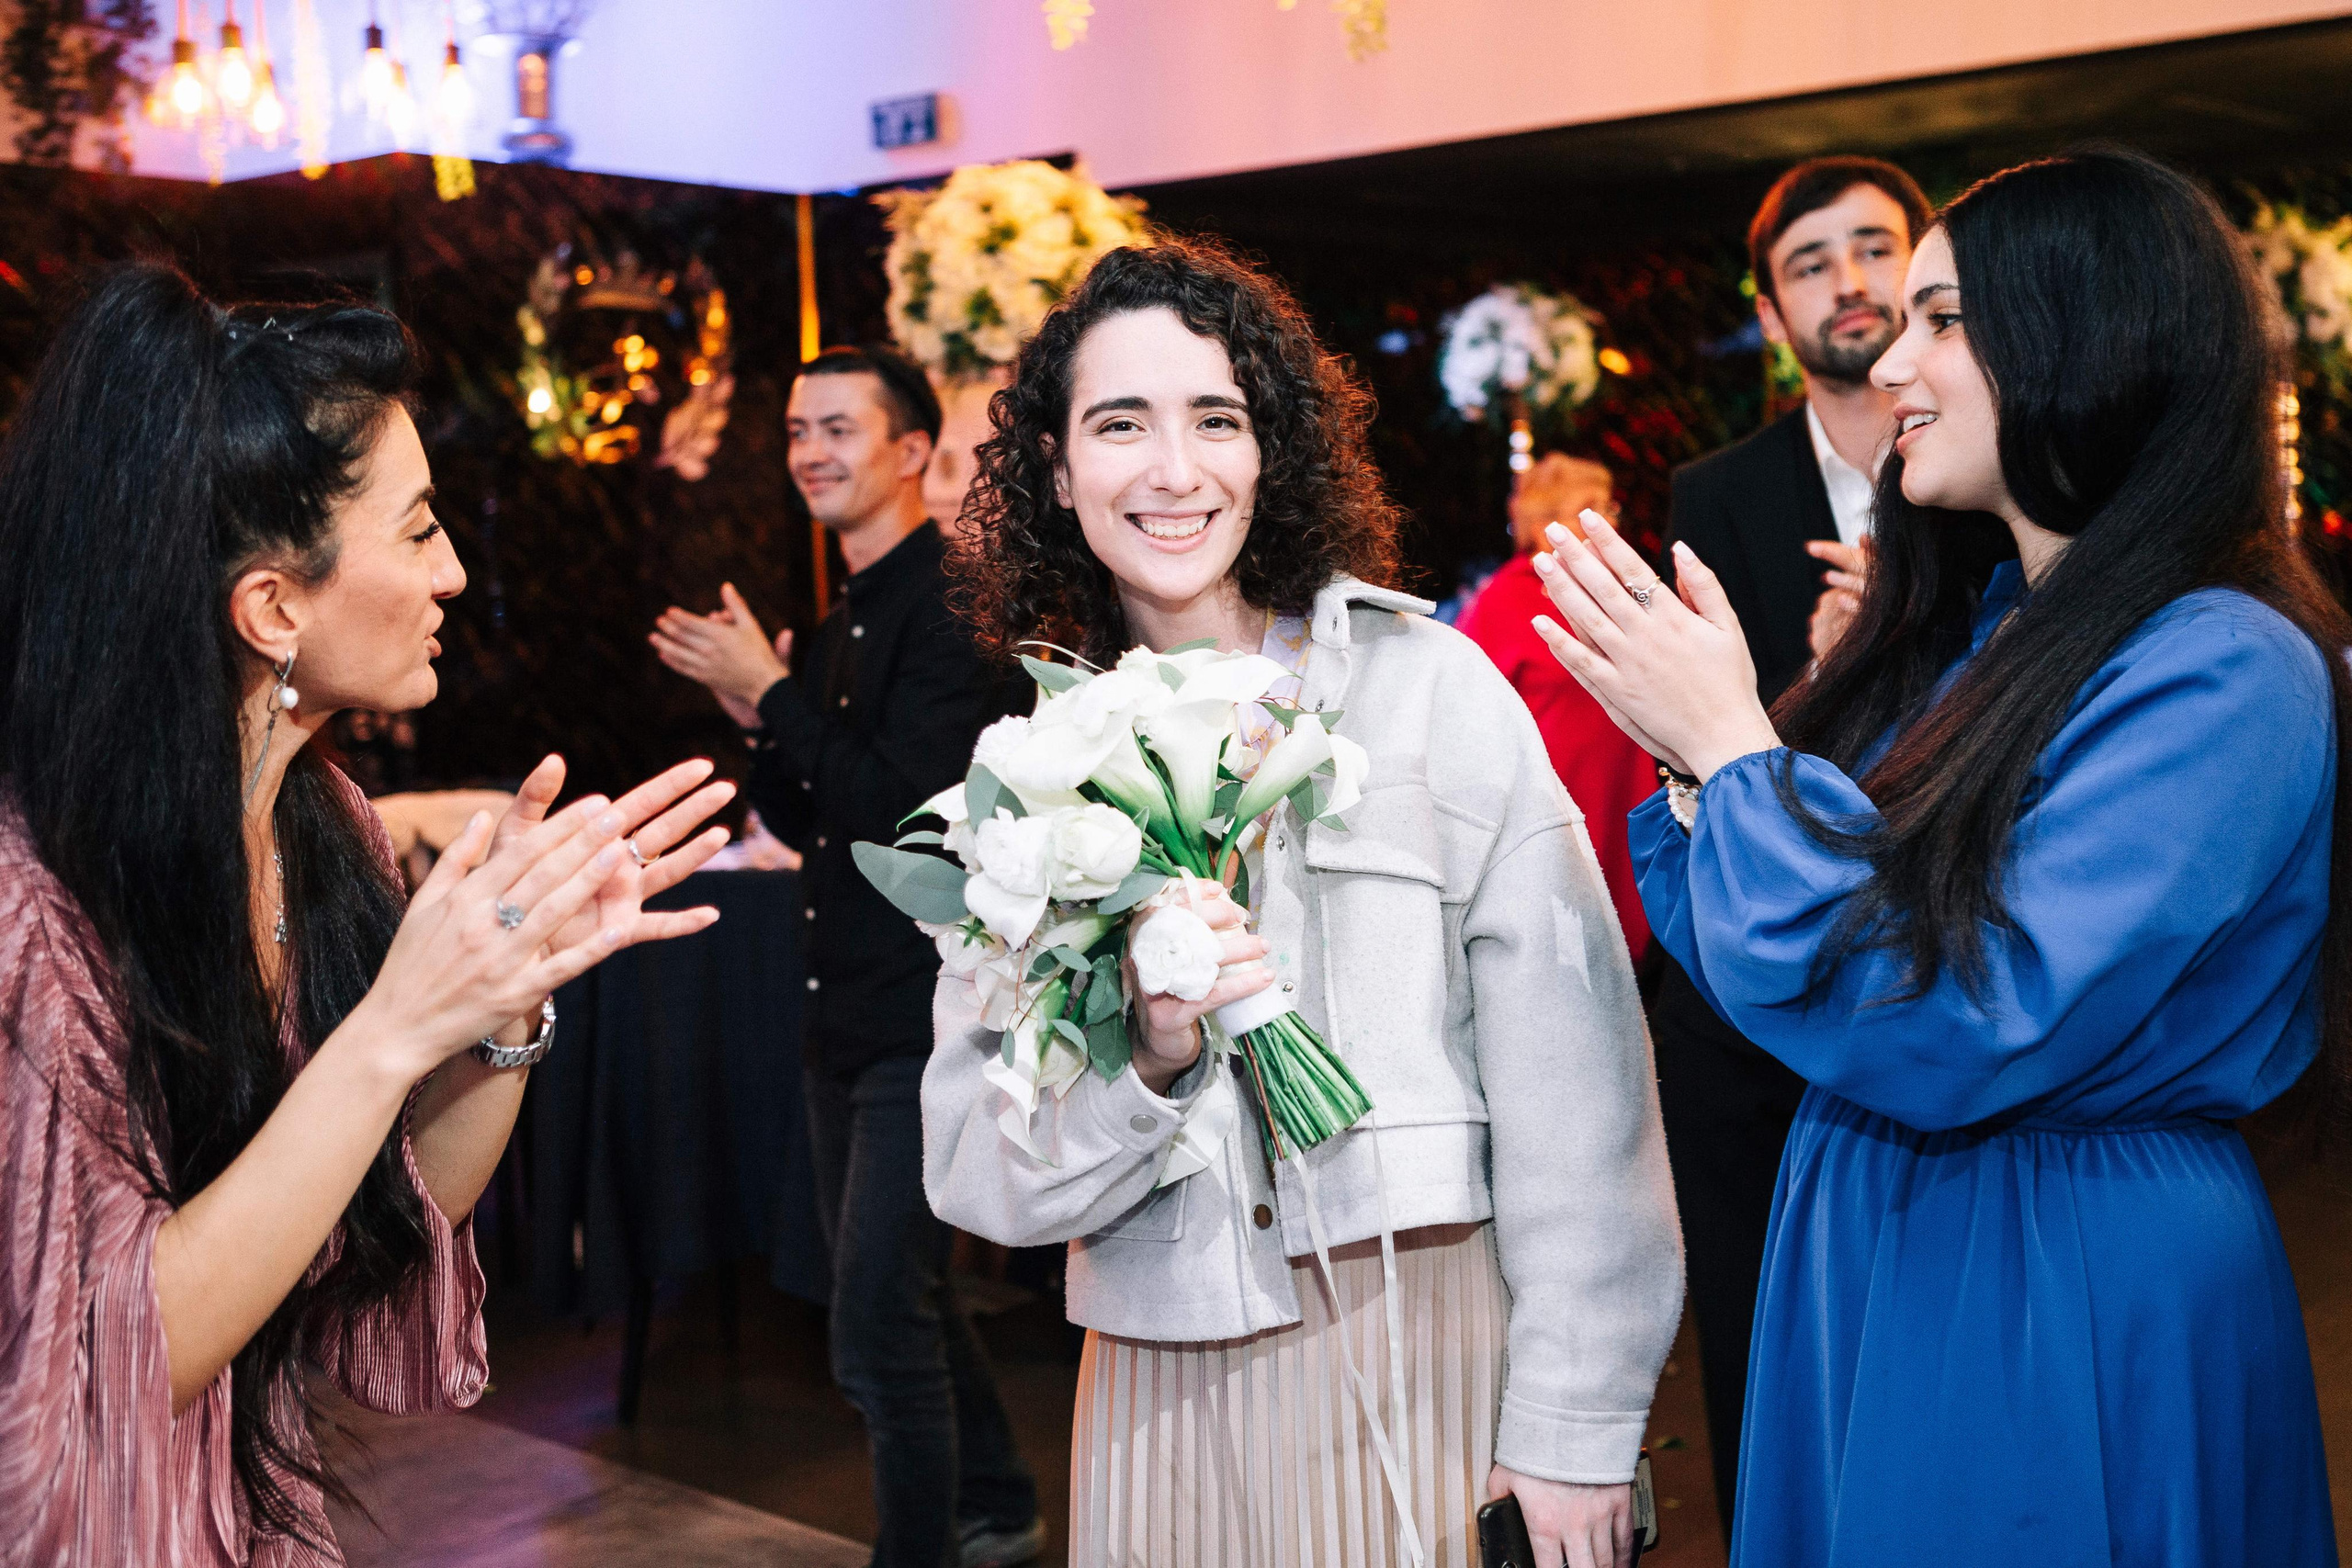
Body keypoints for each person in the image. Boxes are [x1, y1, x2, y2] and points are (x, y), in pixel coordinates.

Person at [1532, 148, 2344, 1564]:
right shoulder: (2001, 634)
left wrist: (1737, 751)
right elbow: (1785, 965)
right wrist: (1691, 746)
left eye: (1943, 318)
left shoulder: (2227, 663)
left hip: (2058, 1263)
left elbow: (1973, 1004)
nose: (1892, 360)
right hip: (1907, 1222)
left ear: (2087, 335)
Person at [923, 239, 1683, 1568]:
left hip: (1429, 1348)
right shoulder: (1031, 785)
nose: (1174, 470)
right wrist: (1147, 1061)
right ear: (1055, 468)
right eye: (1120, 424)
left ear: (1271, 446)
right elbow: (979, 1168)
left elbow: (1586, 1094)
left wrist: (1578, 1417)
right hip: (1161, 1395)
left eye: (1216, 418)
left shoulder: (1429, 689)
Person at [0, 263, 734, 1564]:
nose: (454, 570)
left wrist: (505, 1000)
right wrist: (393, 1028)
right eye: (418, 530)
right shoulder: (31, 904)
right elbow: (109, 1367)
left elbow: (376, 1233)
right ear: (273, 607)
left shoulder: (320, 822)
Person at [649, 344, 1041, 1568]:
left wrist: (773, 694)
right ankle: (999, 1497)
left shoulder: (953, 611)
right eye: (796, 430)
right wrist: (759, 715)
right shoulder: (839, 622)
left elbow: (904, 812)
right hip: (843, 1007)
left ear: (914, 452)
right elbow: (817, 811)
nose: (810, 450)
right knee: (887, 1301)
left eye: (837, 427)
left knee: (875, 1322)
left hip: (929, 1016)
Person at [1645, 153, 1931, 1534]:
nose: (1851, 282)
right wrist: (1818, 681)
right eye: (1811, 264)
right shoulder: (1722, 491)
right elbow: (1693, 751)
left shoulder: (2001, 460)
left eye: (1874, 248)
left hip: (1943, 960)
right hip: (1762, 986)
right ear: (1774, 315)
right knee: (1763, 1345)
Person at [1457, 453, 1661, 959]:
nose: (1609, 521)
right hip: (1557, 801)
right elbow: (1467, 711)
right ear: (1549, 520)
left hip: (1627, 792)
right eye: (1591, 508)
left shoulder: (1621, 590)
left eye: (1609, 507)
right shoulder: (1507, 598)